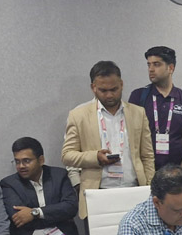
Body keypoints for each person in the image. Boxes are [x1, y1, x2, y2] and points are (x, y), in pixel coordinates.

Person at [63, 60, 155, 221]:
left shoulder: (138, 113)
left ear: (121, 84)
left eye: (114, 89)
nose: (109, 95)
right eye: (103, 90)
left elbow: (147, 155)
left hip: (134, 191)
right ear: (93, 87)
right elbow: (67, 155)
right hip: (98, 193)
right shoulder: (78, 115)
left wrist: (149, 186)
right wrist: (95, 157)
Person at [128, 46, 182, 170]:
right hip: (146, 170)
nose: (151, 69)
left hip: (179, 171)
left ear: (170, 68)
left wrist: (181, 170)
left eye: (156, 64)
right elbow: (131, 136)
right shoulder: (138, 96)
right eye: (149, 65)